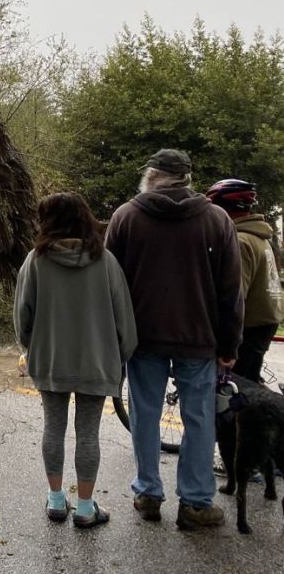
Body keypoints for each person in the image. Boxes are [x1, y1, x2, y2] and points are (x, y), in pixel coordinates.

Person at [105, 149, 243, 529]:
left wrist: (113, 338)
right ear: (186, 178)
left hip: (142, 338)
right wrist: (230, 345)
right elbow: (231, 291)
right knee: (199, 418)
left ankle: (148, 493)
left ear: (151, 176)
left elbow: (108, 286)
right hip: (198, 338)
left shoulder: (126, 218)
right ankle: (197, 503)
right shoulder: (216, 220)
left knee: (145, 415)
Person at [15, 192, 138, 528]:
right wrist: (121, 356)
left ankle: (56, 501)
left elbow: (22, 317)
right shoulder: (106, 261)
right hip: (96, 362)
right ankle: (85, 508)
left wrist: (34, 347)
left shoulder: (35, 261)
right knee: (88, 433)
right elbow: (124, 320)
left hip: (52, 360)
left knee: (53, 427)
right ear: (85, 218)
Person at [206, 179, 283, 383]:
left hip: (249, 324)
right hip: (266, 320)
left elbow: (235, 294)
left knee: (234, 390)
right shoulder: (259, 236)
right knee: (248, 379)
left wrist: (226, 341)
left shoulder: (240, 241)